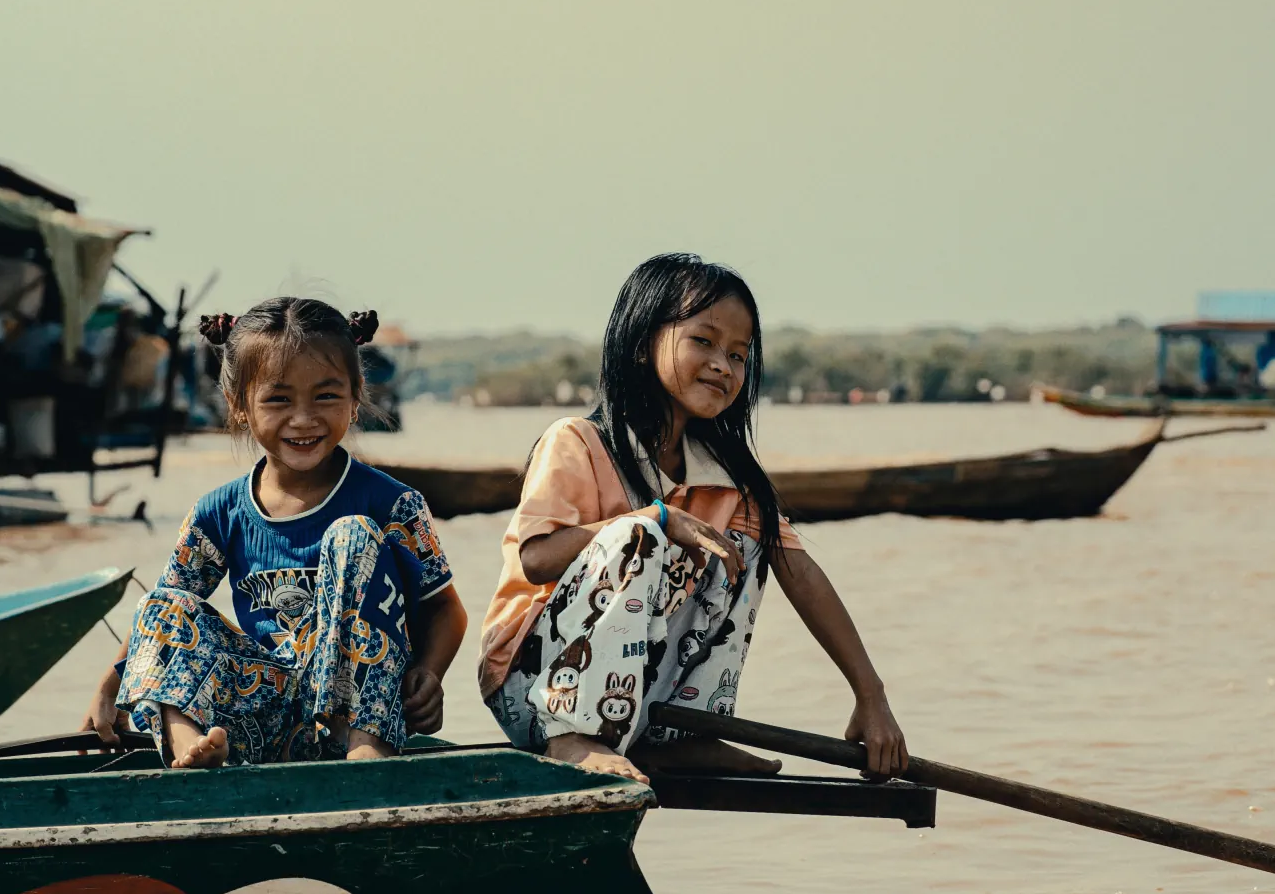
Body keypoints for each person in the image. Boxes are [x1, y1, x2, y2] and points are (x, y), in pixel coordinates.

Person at [480, 253, 909, 783]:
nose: (723, 366)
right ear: (642, 345)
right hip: (537, 690)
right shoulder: (577, 442)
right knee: (638, 533)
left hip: (637, 700)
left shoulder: (729, 481)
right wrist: (656, 518)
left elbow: (803, 576)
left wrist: (872, 696)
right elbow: (536, 558)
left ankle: (689, 734)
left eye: (738, 354)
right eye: (703, 341)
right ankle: (575, 737)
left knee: (751, 543)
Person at [84, 298, 467, 767]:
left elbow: (445, 609)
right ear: (239, 404)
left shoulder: (391, 503)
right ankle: (190, 744)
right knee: (161, 602)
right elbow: (163, 621)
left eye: (326, 396)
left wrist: (430, 671)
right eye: (278, 399)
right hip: (258, 717)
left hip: (353, 716)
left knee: (354, 535)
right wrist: (109, 687)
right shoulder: (218, 511)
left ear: (355, 394)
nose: (303, 419)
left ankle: (368, 746)